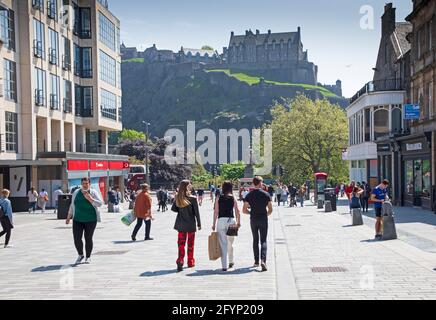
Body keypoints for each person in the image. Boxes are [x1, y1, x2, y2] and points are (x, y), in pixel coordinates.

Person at [66, 177, 103, 265]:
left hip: (91, 219)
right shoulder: (76, 192)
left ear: (89, 184)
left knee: (88, 238)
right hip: (77, 219)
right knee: (77, 238)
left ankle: (88, 256)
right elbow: (72, 205)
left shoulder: (93, 192)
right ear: (81, 184)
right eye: (83, 183)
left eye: (87, 183)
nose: (85, 185)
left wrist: (90, 199)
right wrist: (68, 217)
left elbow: (100, 203)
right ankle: (80, 254)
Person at [243, 177, 273, 272]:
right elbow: (270, 209)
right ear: (260, 183)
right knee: (263, 240)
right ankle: (263, 260)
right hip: (263, 218)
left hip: (254, 219)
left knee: (255, 239)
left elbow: (244, 210)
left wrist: (251, 213)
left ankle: (256, 261)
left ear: (253, 183)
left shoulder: (249, 195)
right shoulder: (266, 194)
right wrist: (265, 214)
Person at [171, 180, 201, 272]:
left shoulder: (178, 197)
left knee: (181, 244)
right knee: (190, 244)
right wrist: (199, 223)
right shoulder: (192, 198)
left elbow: (174, 209)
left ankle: (180, 260)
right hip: (191, 224)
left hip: (180, 224)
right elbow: (197, 213)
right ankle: (190, 261)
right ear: (188, 186)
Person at [212, 181, 241, 272]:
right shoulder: (233, 198)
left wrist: (213, 224)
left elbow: (216, 212)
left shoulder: (218, 198)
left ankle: (224, 266)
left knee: (223, 244)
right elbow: (237, 211)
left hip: (221, 221)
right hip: (231, 221)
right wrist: (238, 222)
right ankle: (231, 261)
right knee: (230, 243)